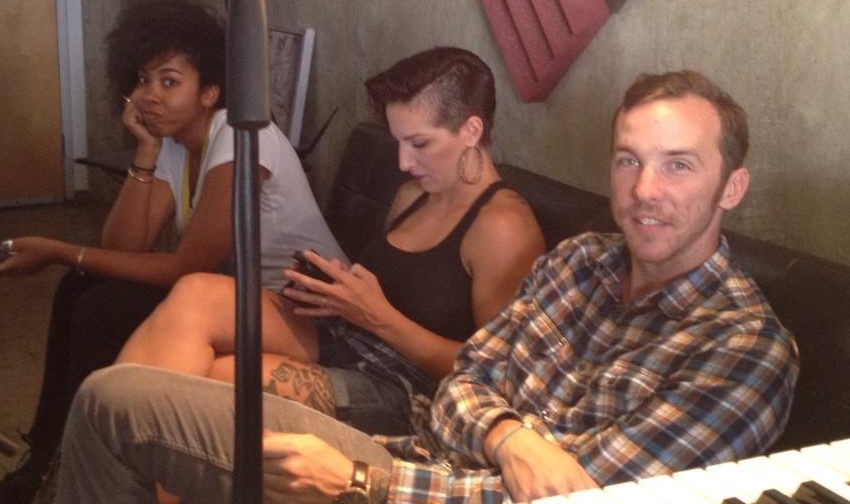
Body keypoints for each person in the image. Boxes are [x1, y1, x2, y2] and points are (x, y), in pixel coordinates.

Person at [52, 69, 798, 504]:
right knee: (115, 396)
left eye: (678, 166)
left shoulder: (744, 349)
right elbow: (467, 380)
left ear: (732, 188)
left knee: (167, 395)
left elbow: (580, 496)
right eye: (629, 161)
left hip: (400, 481)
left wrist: (361, 482)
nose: (645, 191)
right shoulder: (581, 263)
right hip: (414, 451)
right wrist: (508, 434)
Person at [0, 0, 347, 504]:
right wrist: (146, 150)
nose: (149, 95)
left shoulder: (243, 139)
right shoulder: (177, 143)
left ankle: (77, 464)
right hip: (236, 301)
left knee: (102, 306)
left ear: (210, 92)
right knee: (80, 287)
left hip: (310, 315)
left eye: (170, 82)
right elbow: (124, 245)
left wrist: (58, 249)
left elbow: (184, 267)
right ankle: (45, 460)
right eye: (144, 80)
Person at [116, 46, 546, 438]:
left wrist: (379, 317)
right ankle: (114, 446)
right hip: (350, 335)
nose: (403, 161)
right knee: (193, 293)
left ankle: (135, 466)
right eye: (398, 142)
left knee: (215, 379)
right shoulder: (415, 194)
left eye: (419, 143)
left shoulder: (503, 226)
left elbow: (500, 373)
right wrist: (336, 286)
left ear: (471, 130)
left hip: (411, 389)